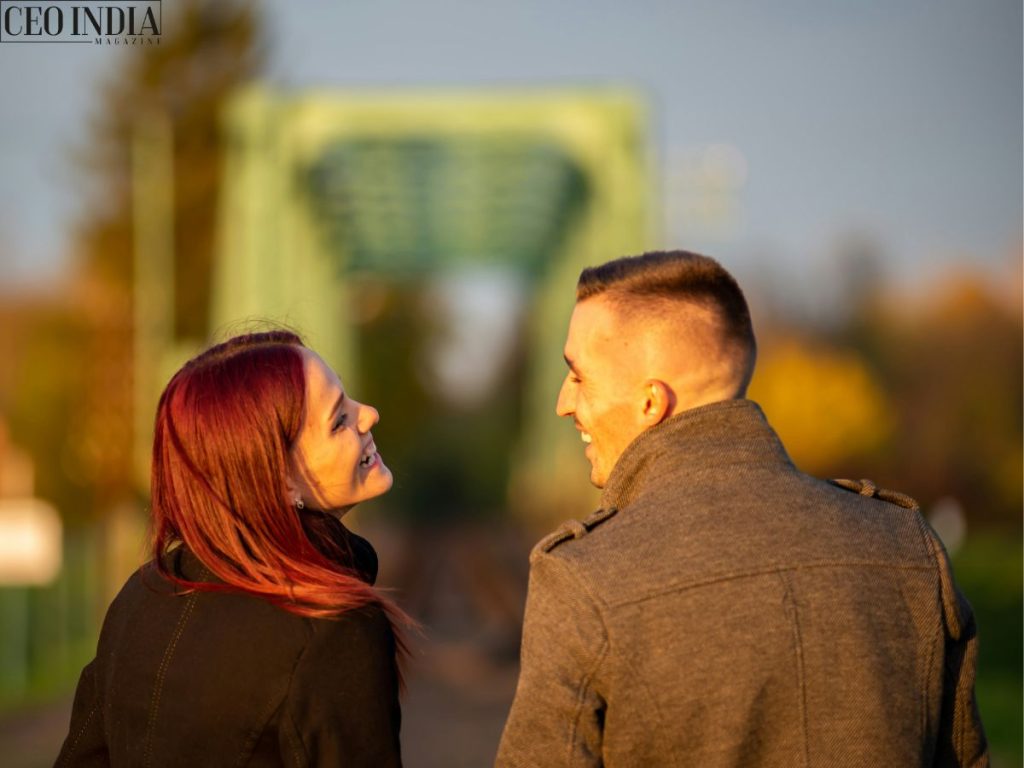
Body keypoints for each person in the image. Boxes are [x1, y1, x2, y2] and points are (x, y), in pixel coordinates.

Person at [497, 251, 988, 767]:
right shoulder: (906, 547)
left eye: (577, 376)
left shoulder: (583, 580)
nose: (562, 402)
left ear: (650, 402)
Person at [56, 331, 409, 767]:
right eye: (338, 421)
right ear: (278, 481)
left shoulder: (139, 598)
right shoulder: (332, 626)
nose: (369, 415)